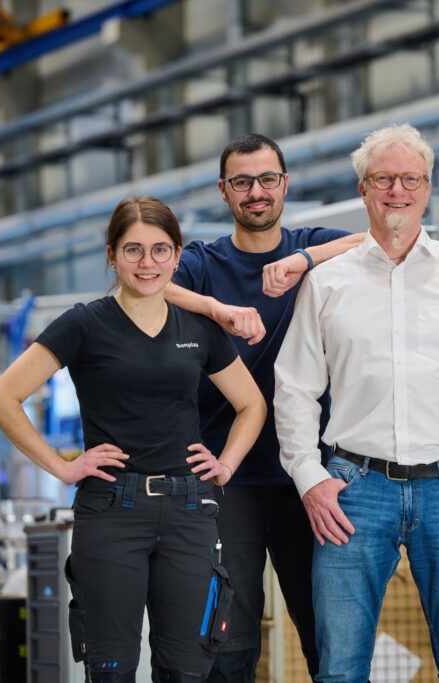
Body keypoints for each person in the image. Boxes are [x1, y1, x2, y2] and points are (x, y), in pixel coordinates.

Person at [273, 123, 439, 682]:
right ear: (364, 190)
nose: (398, 190)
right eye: (383, 179)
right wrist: (309, 477)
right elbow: (293, 388)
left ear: (427, 186)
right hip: (353, 492)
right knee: (340, 669)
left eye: (410, 179)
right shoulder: (327, 283)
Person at [0, 196, 267, 682]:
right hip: (112, 511)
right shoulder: (85, 323)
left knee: (187, 670)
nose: (147, 263)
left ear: (178, 256)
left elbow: (252, 404)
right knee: (111, 669)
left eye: (160, 250)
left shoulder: (199, 329)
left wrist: (226, 463)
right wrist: (63, 466)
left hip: (190, 512)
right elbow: (1, 398)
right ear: (112, 256)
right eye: (132, 250)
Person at [165, 133, 364, 682]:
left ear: (285, 184)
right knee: (231, 638)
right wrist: (218, 309)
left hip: (311, 478)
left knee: (328, 632)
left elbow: (378, 241)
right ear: (224, 192)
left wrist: (303, 259)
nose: (257, 192)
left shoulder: (312, 246)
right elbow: (150, 284)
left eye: (267, 179)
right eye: (243, 182)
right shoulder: (203, 263)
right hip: (228, 479)